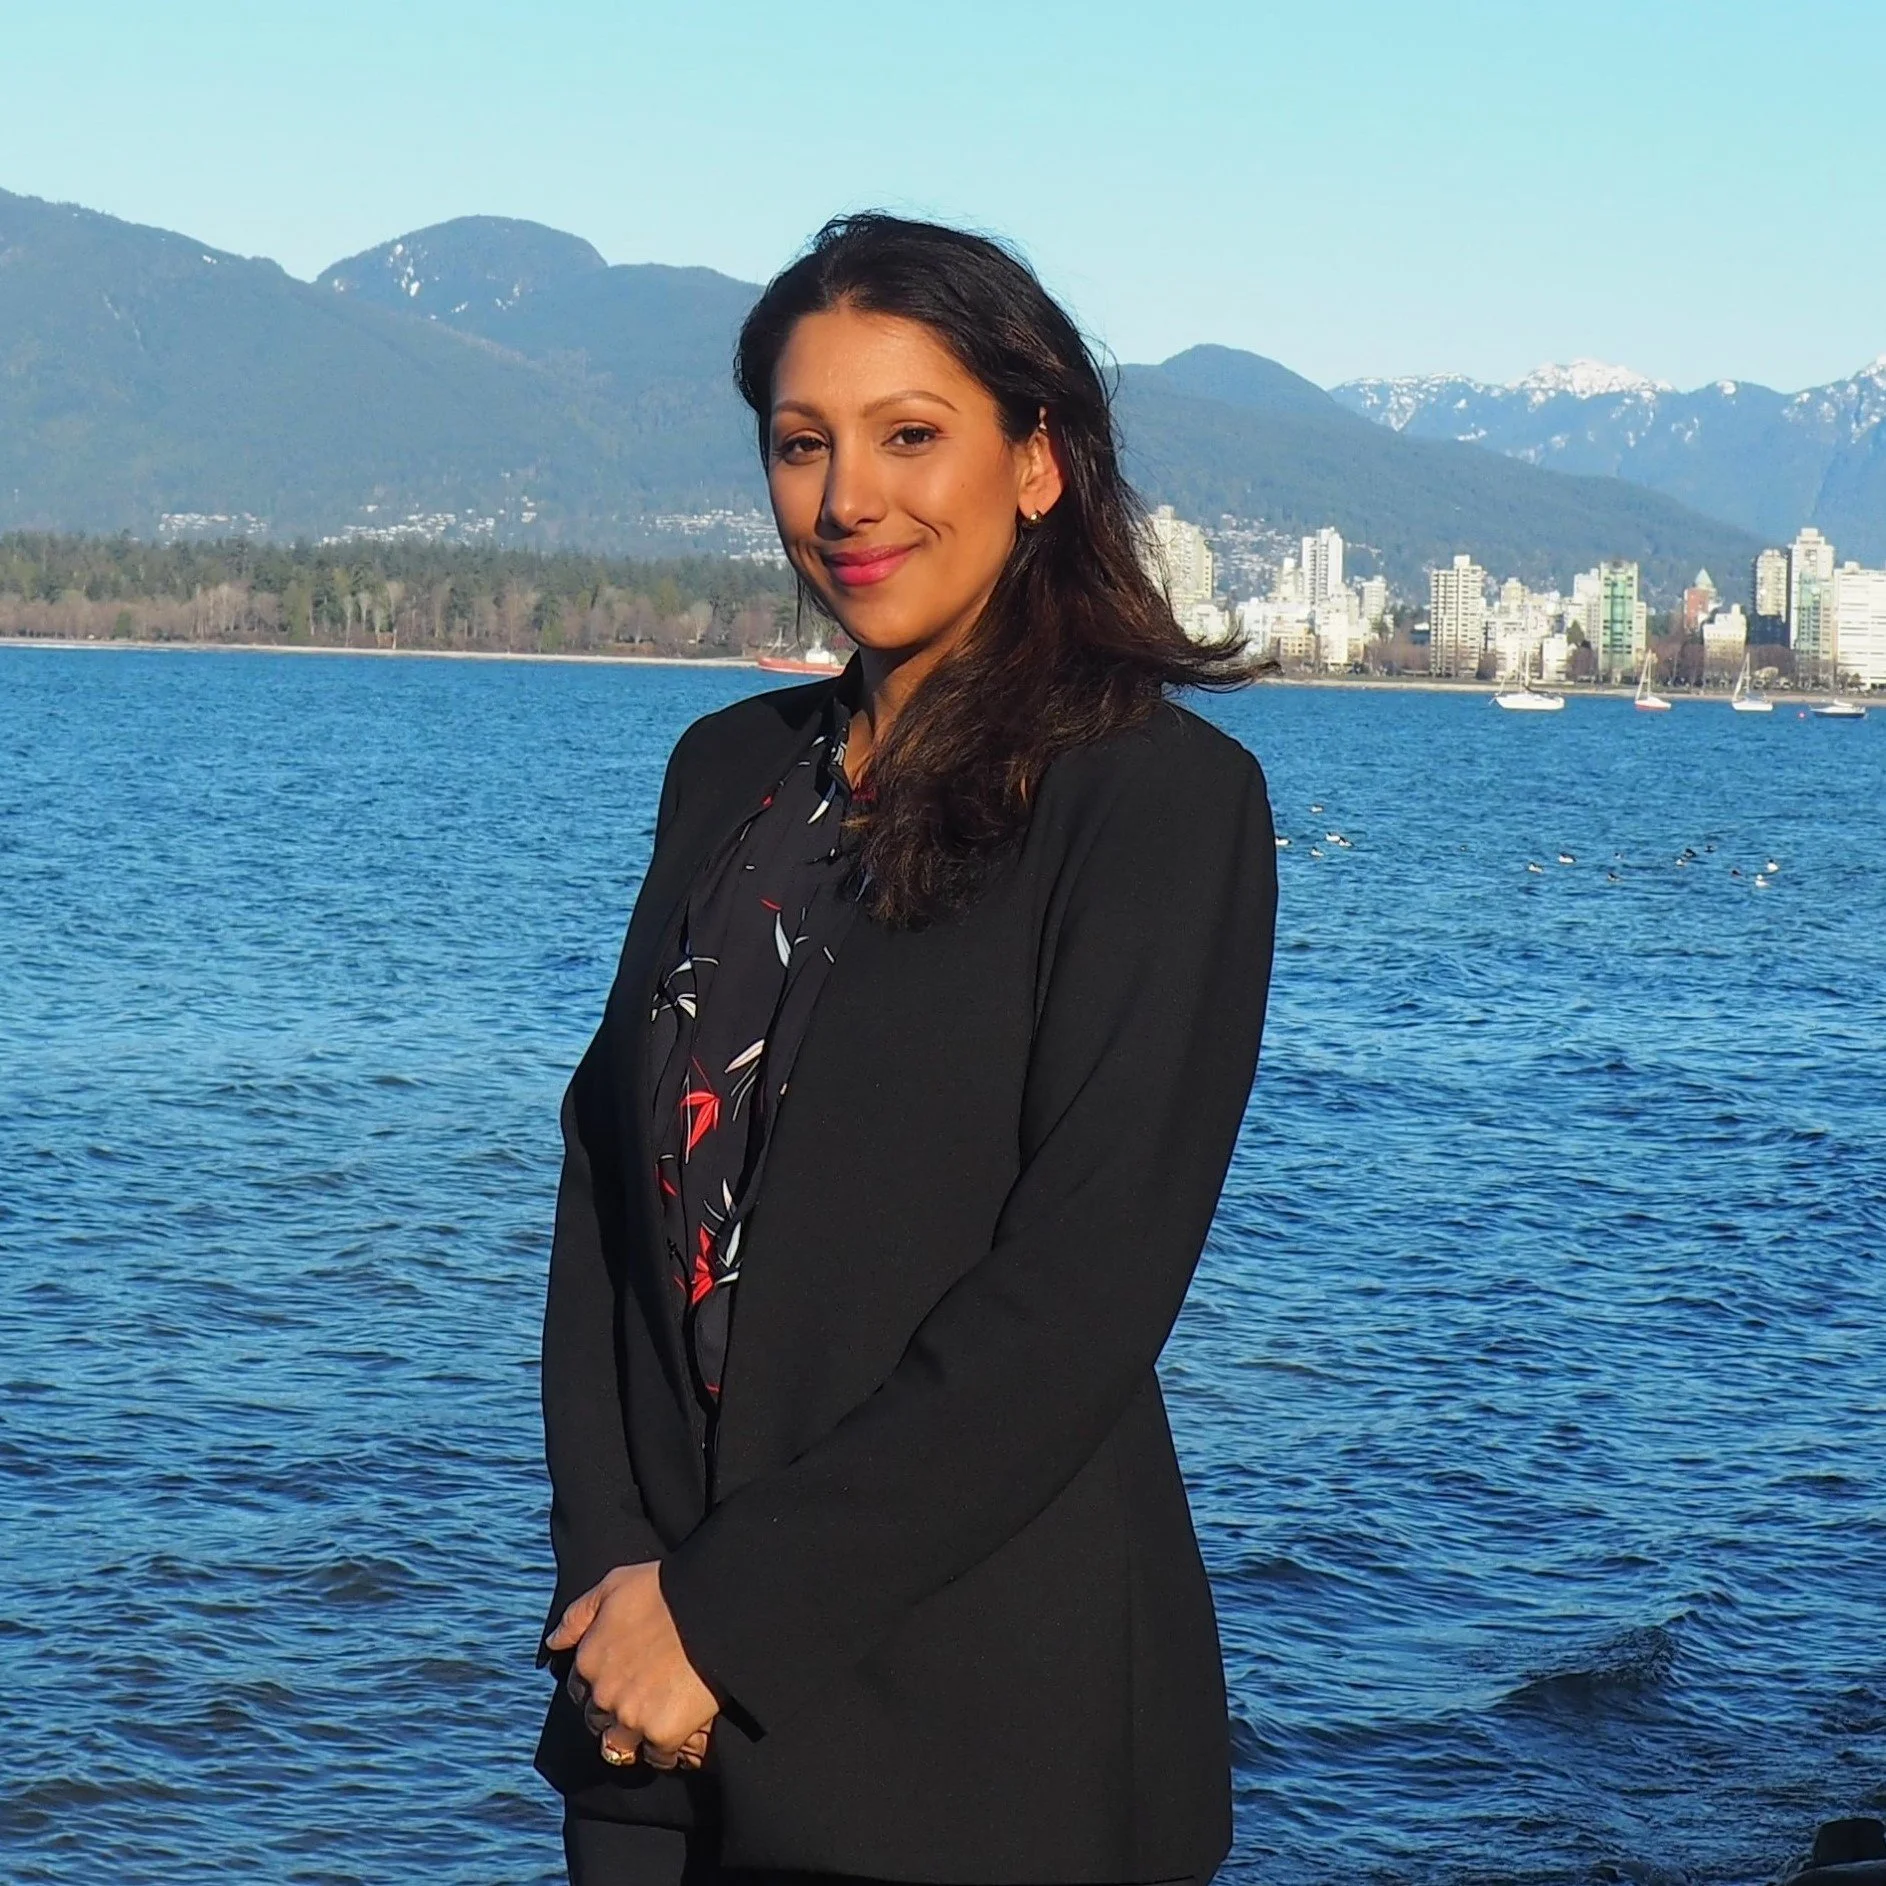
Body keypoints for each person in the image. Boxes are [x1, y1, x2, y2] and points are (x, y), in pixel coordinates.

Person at [535, 212, 1279, 1886]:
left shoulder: (1156, 804)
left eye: (909, 434)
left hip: (979, 1735)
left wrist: (719, 1616)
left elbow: (1073, 1303)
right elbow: (609, 1198)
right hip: (654, 1722)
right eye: (802, 444)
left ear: (1039, 462)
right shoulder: (726, 771)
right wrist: (617, 1597)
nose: (848, 497)